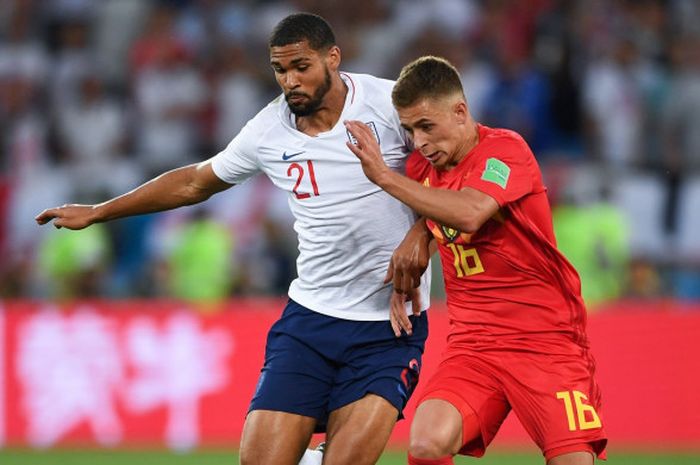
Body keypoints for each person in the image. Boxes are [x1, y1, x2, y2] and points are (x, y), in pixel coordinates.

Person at [35, 13, 431, 465]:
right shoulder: (269, 130)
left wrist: (422, 232)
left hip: (389, 327)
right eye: (280, 70)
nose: (291, 81)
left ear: (332, 58)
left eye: (301, 66)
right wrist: (101, 211)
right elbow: (195, 182)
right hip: (310, 323)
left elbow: (454, 170)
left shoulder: (389, 103)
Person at [345, 56, 607, 465]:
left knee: (572, 460)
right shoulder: (421, 168)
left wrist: (383, 176)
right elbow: (435, 207)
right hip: (474, 345)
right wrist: (416, 240)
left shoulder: (505, 151)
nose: (419, 142)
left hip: (545, 340)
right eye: (410, 129)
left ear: (460, 112)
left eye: (427, 127)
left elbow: (469, 211)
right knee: (426, 442)